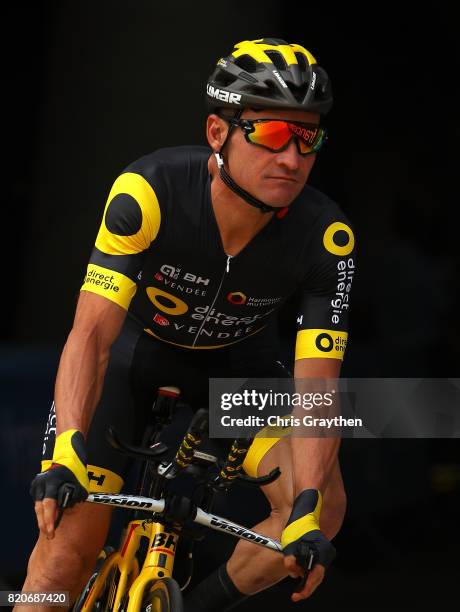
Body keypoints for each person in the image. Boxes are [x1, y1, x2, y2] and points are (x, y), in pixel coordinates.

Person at [20, 37, 356, 611]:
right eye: (274, 135)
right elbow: (92, 334)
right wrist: (70, 448)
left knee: (321, 509)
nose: (292, 159)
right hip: (136, 358)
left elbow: (317, 388)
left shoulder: (328, 238)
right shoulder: (149, 191)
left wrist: (304, 507)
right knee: (63, 555)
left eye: (309, 139)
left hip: (239, 372)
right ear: (217, 133)